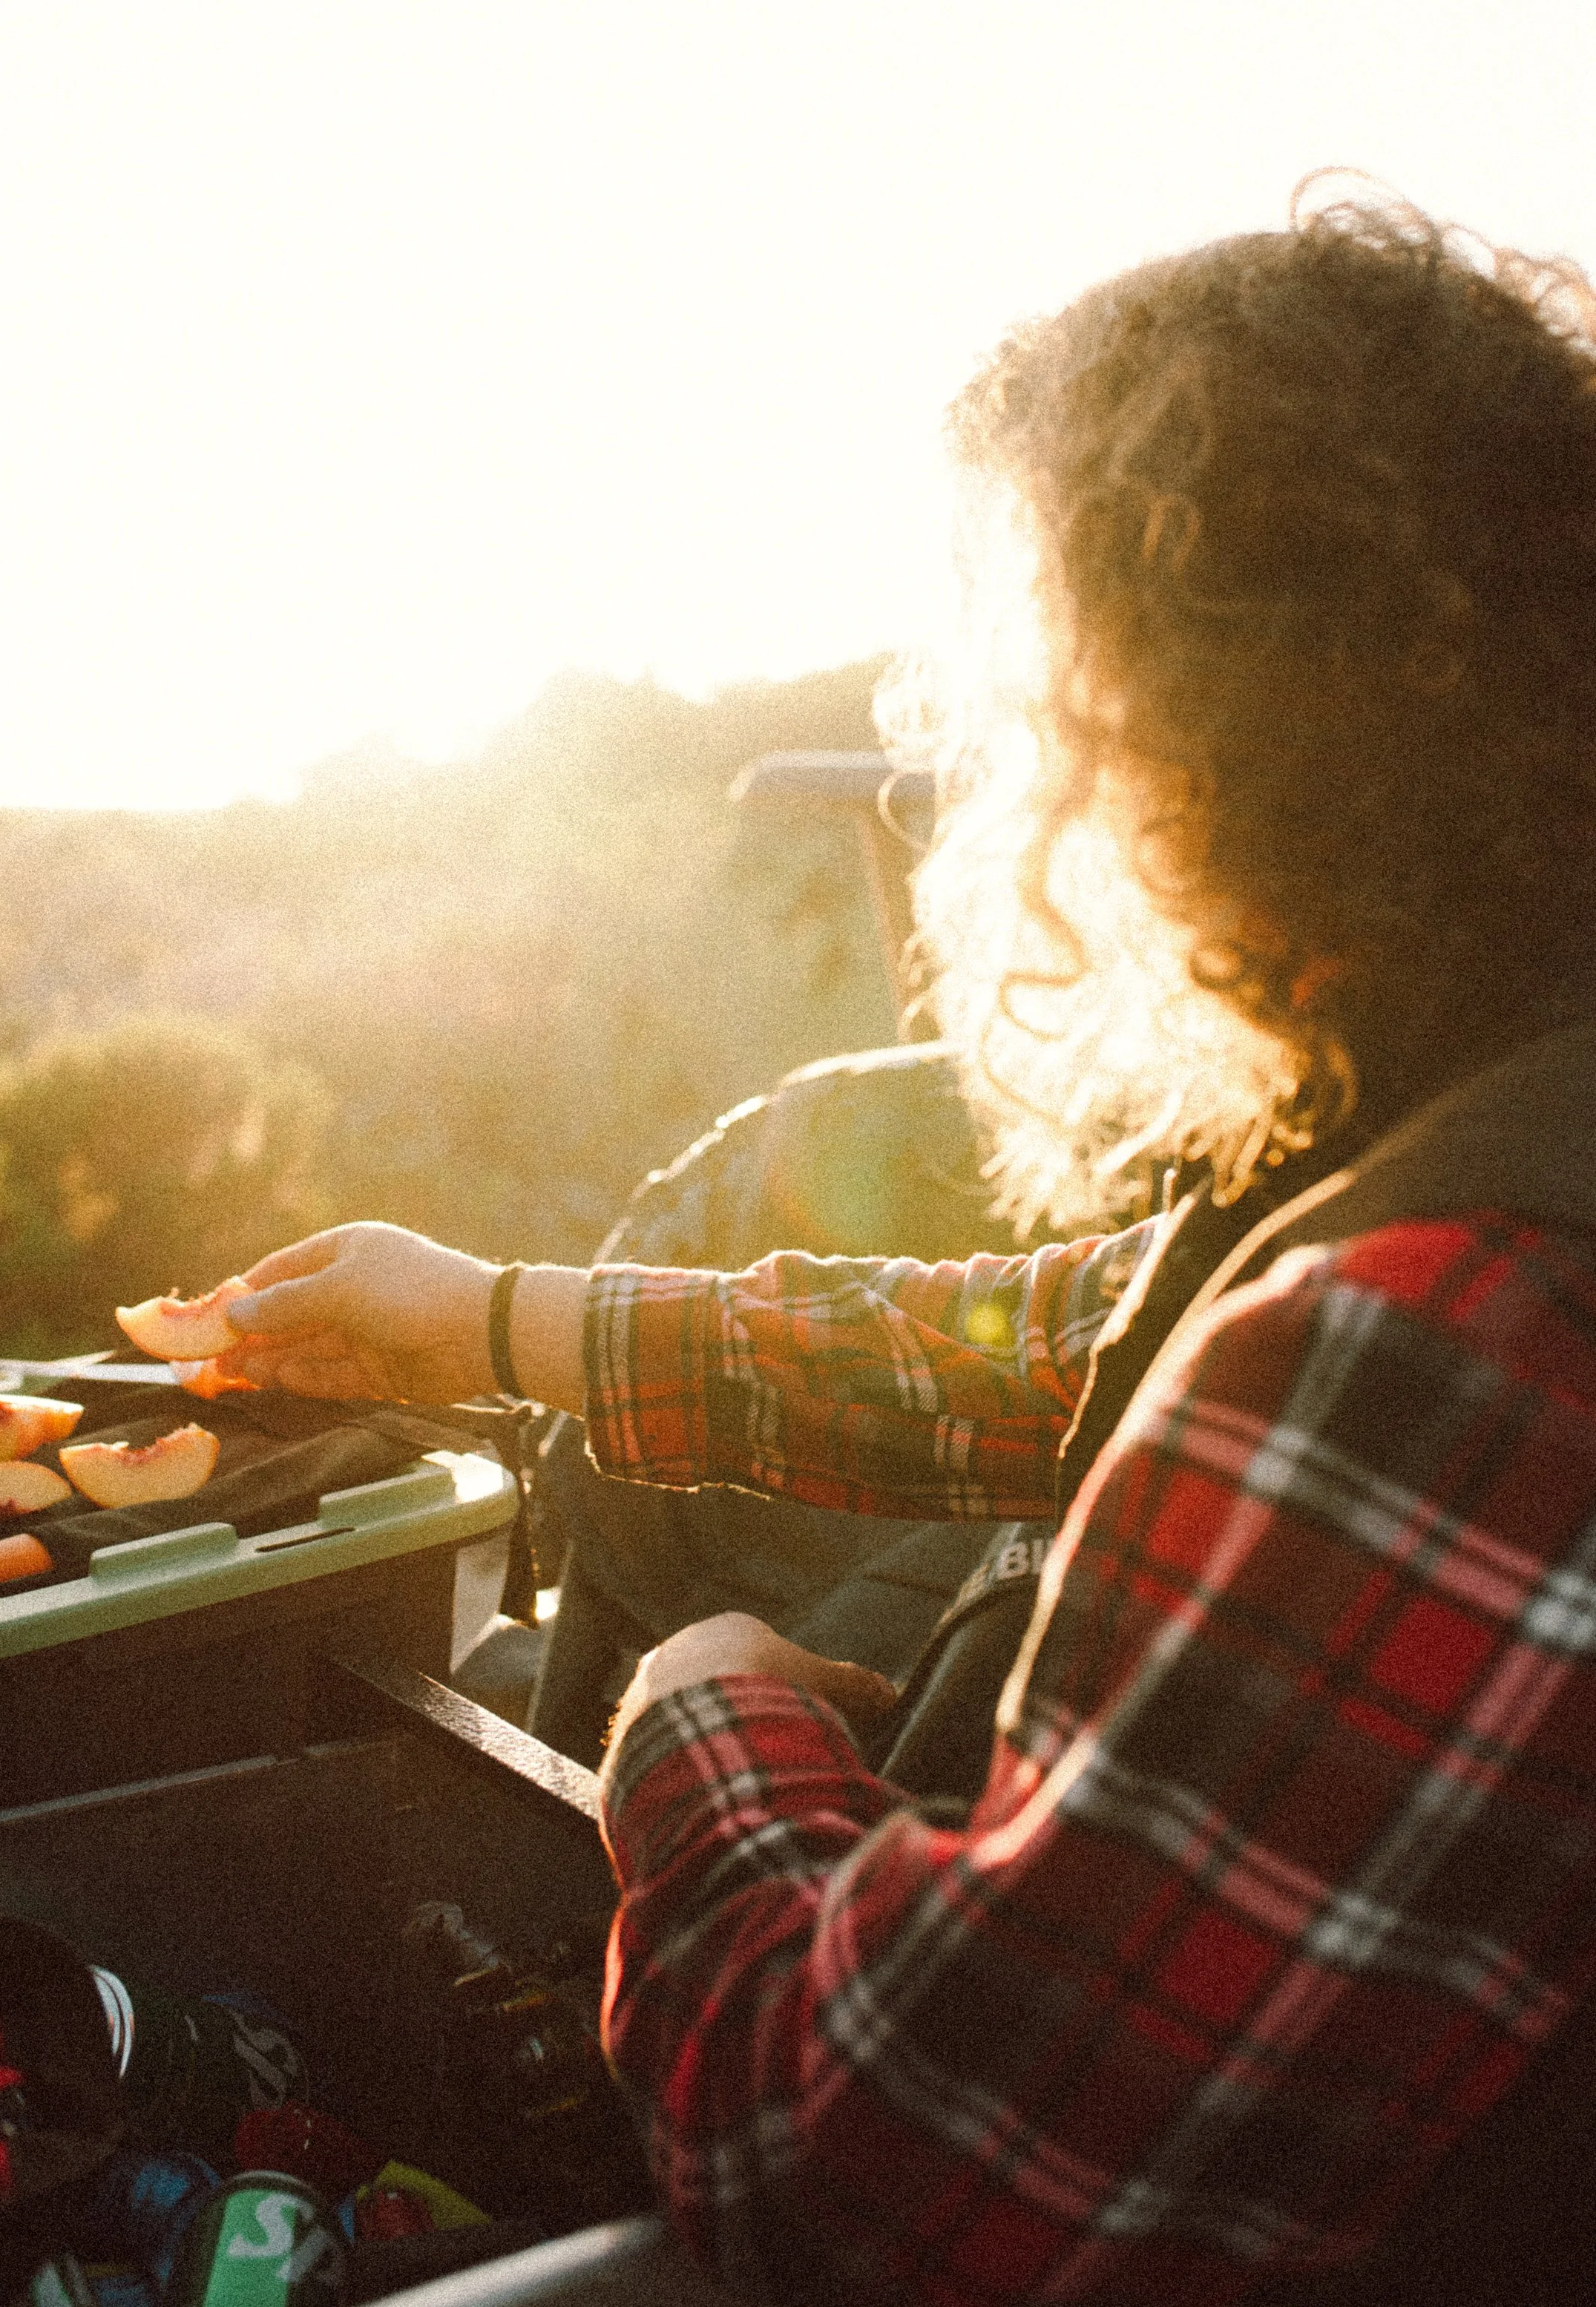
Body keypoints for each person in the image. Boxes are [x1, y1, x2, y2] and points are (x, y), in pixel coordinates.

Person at [217, 190, 1596, 2303]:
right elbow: (1041, 1350)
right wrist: (486, 1320)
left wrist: (705, 1728)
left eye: (1021, 716)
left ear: (1208, 750)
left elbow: (882, 2191)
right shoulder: (1492, 1076)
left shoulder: (1464, 1322)